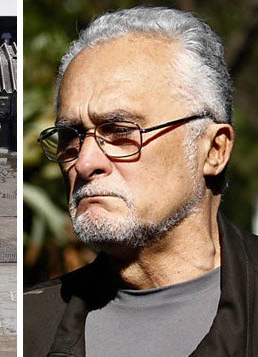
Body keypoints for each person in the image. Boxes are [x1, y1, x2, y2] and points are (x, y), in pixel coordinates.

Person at [24, 7, 255, 356]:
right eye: (70, 136)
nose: (84, 162)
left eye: (120, 131)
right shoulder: (26, 328)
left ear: (213, 151)